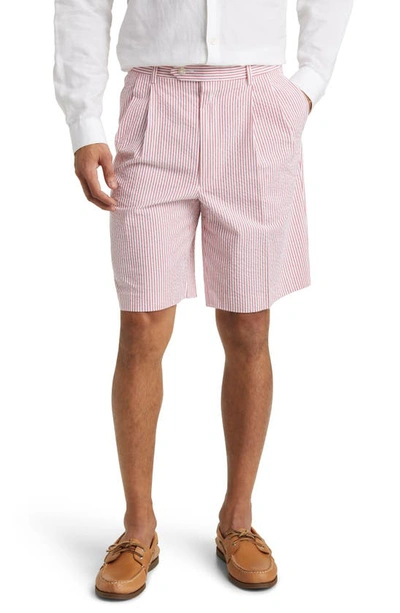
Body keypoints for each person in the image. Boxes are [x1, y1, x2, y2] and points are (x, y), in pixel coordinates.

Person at [53, 0, 353, 599]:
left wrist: (309, 83)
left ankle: (237, 519)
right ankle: (138, 528)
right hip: (153, 103)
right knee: (142, 323)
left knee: (248, 325)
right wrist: (84, 122)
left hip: (254, 104)